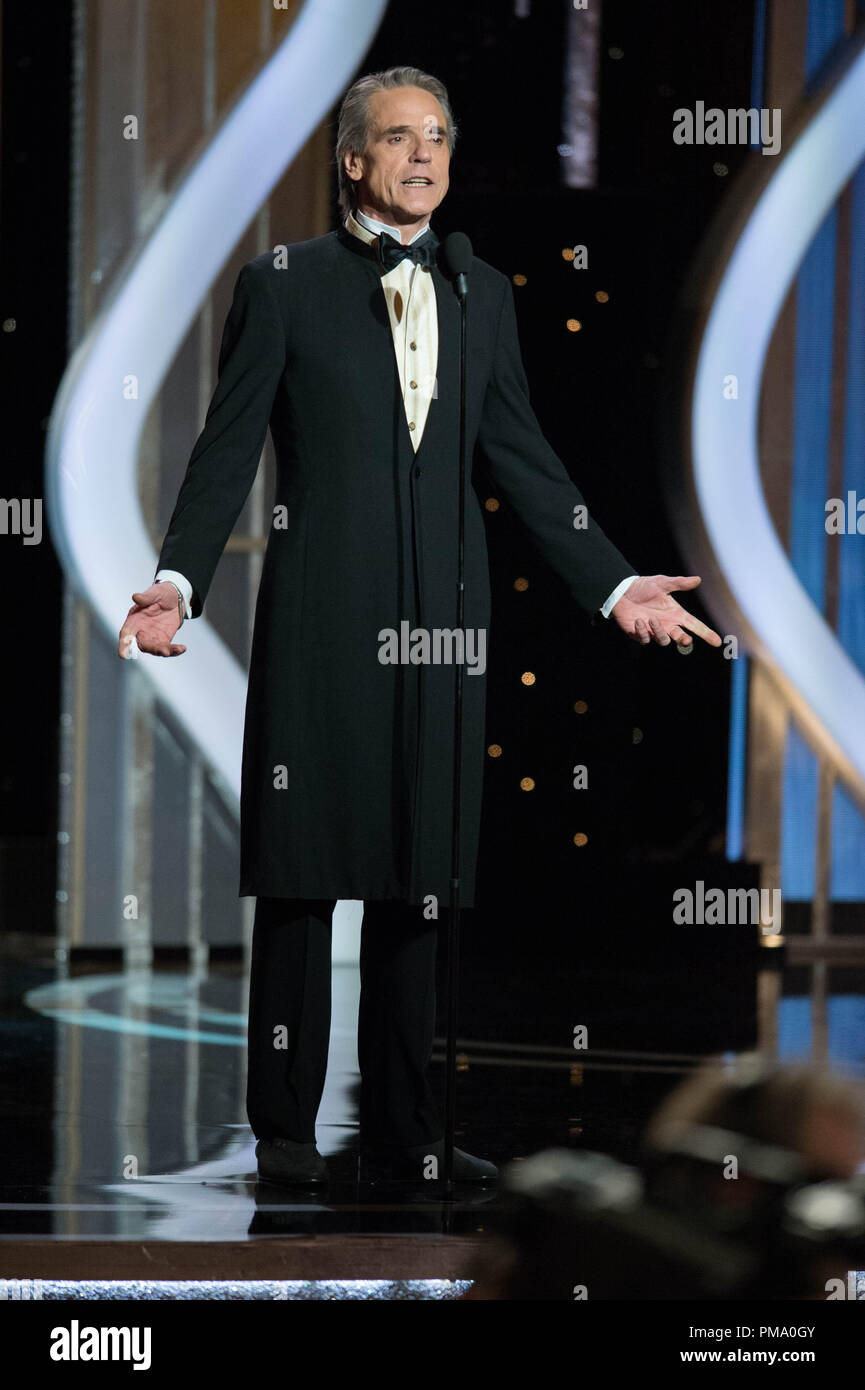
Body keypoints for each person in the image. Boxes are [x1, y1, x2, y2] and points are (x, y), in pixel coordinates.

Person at [117, 66, 722, 1187]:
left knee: (419, 873)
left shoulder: (479, 289)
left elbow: (522, 456)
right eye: (400, 138)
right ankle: (288, 1136)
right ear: (353, 161)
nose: (425, 155)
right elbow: (226, 445)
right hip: (322, 617)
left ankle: (406, 1128)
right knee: (306, 874)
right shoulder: (284, 283)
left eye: (438, 136)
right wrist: (176, 581)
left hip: (446, 623)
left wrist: (614, 581)